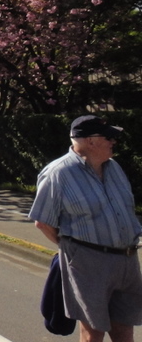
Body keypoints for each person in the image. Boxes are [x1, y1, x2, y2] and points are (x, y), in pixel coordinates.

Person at [29, 115, 142, 342]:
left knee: (124, 329)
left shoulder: (114, 168)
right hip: (90, 262)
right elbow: (43, 221)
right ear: (90, 141)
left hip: (127, 260)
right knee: (93, 332)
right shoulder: (58, 173)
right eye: (109, 137)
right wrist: (74, 249)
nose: (114, 142)